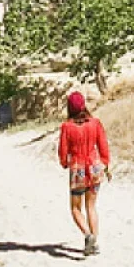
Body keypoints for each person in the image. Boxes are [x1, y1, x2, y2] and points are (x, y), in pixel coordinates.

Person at [57, 91, 111, 256]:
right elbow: (103, 146)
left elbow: (63, 151)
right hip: (95, 168)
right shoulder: (95, 123)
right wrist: (106, 166)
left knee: (75, 208)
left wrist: (65, 163)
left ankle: (87, 235)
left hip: (78, 170)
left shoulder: (67, 127)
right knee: (91, 207)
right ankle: (94, 243)